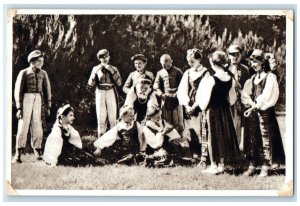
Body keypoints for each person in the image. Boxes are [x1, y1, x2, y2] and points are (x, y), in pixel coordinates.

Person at [242, 49, 285, 177]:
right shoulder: (254, 77)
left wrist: (255, 106)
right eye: (252, 62)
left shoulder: (270, 77)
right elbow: (247, 95)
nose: (253, 65)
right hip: (254, 112)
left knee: (266, 138)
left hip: (265, 112)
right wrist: (249, 102)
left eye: (256, 62)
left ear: (263, 62)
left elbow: (267, 96)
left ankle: (266, 165)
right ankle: (253, 164)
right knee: (253, 138)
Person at [197, 51, 241, 175]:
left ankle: (214, 165)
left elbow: (203, 101)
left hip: (213, 111)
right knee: (223, 136)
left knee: (213, 137)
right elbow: (232, 99)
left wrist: (203, 107)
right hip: (225, 111)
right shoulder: (230, 78)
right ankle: (222, 164)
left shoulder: (211, 79)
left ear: (213, 63)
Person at [12, 50, 52, 164]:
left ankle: (38, 152)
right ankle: (18, 154)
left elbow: (47, 89)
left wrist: (48, 106)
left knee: (37, 125)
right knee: (23, 125)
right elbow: (18, 90)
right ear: (32, 61)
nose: (41, 63)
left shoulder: (43, 73)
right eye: (39, 61)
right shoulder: (24, 72)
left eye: (42, 61)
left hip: (38, 99)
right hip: (26, 99)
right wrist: (19, 107)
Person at [177, 48, 210, 164]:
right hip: (189, 105)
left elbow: (205, 92)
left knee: (202, 129)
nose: (190, 63)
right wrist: (186, 105)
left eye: (192, 61)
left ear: (199, 60)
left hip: (200, 105)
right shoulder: (187, 73)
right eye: (188, 61)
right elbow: (182, 90)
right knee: (191, 130)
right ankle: (194, 153)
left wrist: (196, 105)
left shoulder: (206, 73)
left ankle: (204, 154)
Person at [87, 49, 122, 137]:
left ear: (109, 57)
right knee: (101, 115)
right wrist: (94, 73)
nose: (105, 59)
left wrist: (112, 71)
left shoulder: (114, 68)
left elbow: (119, 83)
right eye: (102, 57)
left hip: (110, 91)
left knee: (112, 115)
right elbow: (90, 84)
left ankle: (113, 138)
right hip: (100, 91)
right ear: (99, 59)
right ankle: (100, 137)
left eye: (106, 56)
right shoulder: (96, 68)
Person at [153, 54, 184, 134]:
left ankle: (179, 140)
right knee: (166, 121)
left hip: (176, 99)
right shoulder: (160, 73)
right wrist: (161, 94)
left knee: (178, 122)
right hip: (165, 99)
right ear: (161, 63)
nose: (165, 66)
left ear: (171, 61)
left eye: (167, 63)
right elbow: (156, 86)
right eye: (163, 64)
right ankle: (168, 140)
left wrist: (177, 94)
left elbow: (183, 84)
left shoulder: (178, 71)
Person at [227, 44, 250, 147]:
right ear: (228, 56)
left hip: (239, 101)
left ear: (241, 56)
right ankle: (227, 148)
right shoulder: (225, 68)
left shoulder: (245, 70)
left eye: (237, 55)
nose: (234, 57)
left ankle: (236, 148)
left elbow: (248, 86)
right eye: (232, 55)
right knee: (227, 123)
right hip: (226, 100)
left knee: (238, 123)